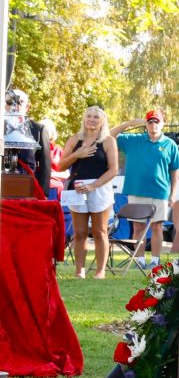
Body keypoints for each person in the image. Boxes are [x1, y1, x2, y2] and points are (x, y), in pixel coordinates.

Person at [110, 109, 179, 267]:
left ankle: (155, 262)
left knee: (157, 226)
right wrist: (128, 124)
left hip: (160, 192)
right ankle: (139, 261)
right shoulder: (133, 140)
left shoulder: (170, 144)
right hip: (136, 190)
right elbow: (109, 136)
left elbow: (175, 172)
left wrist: (173, 194)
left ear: (162, 124)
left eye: (157, 121)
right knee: (138, 226)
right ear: (145, 124)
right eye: (150, 121)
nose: (153, 125)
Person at [57, 106, 118, 279]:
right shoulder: (74, 139)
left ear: (102, 120)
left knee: (100, 231)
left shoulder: (108, 141)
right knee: (80, 232)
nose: (92, 120)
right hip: (77, 188)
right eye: (89, 116)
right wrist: (77, 154)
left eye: (96, 117)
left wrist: (94, 186)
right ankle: (79, 271)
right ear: (84, 119)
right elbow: (61, 166)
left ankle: (100, 272)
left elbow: (113, 170)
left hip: (100, 187)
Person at [6, 88, 51, 194]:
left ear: (27, 107)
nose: (15, 105)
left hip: (27, 188)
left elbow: (45, 165)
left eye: (20, 102)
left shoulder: (38, 129)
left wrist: (43, 193)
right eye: (10, 101)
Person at [37, 118, 69, 200]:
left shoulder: (58, 150)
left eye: (46, 130)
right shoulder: (33, 149)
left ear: (52, 133)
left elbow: (67, 174)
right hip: (36, 186)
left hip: (54, 188)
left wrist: (50, 174)